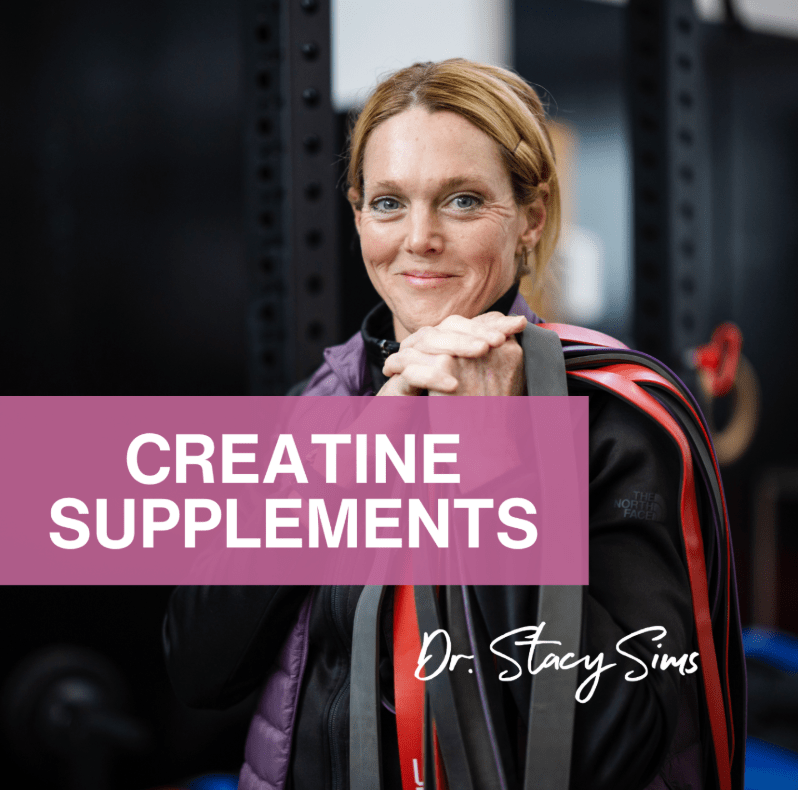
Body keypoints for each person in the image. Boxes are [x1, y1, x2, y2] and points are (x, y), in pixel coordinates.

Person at [164, 59, 743, 790]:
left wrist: (491, 462)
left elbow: (613, 748)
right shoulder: (321, 404)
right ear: (356, 214)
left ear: (530, 218)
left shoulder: (614, 424)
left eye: (463, 201)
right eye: (388, 203)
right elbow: (198, 673)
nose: (419, 238)